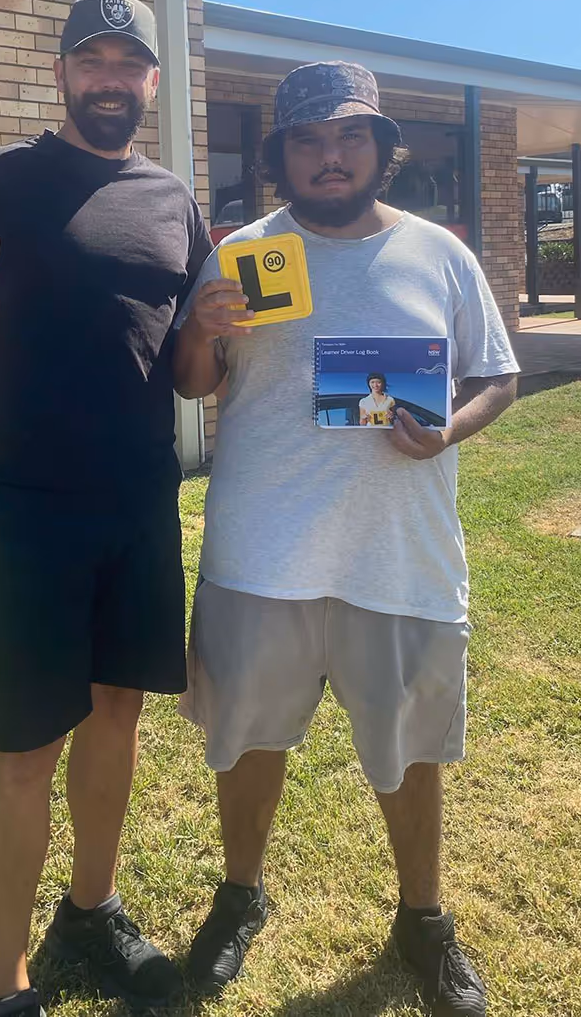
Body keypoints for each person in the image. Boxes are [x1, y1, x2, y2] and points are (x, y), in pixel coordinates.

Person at [0, 0, 212, 1017]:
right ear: (63, 73)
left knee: (116, 712)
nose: (111, 78)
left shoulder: (172, 200)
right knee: (24, 747)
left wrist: (224, 328)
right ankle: (7, 982)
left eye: (130, 64)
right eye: (93, 60)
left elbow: (194, 363)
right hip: (28, 512)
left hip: (139, 504)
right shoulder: (0, 178)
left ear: (152, 83)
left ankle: (92, 909)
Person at [174, 61, 519, 1016]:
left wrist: (449, 425)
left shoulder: (439, 255)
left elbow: (498, 375)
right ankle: (239, 897)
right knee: (245, 742)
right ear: (281, 153)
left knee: (408, 747)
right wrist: (202, 327)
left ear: (382, 150)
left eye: (351, 137)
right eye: (310, 140)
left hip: (398, 553)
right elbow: (195, 382)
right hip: (261, 548)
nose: (331, 156)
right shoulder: (241, 253)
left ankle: (424, 919)